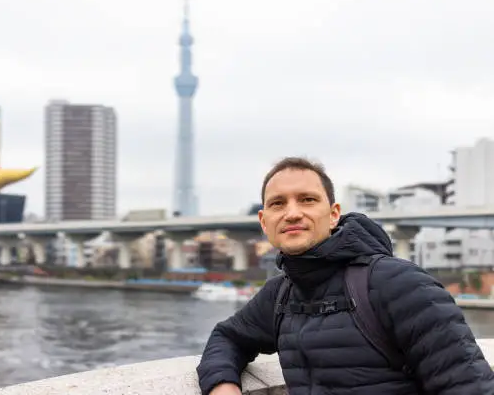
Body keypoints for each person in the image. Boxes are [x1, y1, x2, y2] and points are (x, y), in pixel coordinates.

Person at [197, 157, 494, 395]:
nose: (292, 213)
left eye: (307, 200)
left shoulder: (399, 284)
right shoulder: (281, 294)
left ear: (334, 213)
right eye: (278, 204)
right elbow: (228, 337)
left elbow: (469, 384)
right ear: (264, 221)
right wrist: (223, 385)